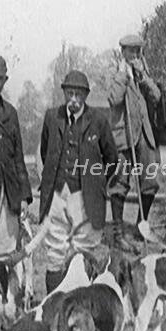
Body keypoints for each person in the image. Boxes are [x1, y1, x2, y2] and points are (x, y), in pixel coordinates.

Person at [39, 70, 118, 294]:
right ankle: (53, 304)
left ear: (86, 96)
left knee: (83, 252)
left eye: (79, 95)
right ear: (64, 93)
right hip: (57, 195)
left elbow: (111, 158)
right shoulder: (52, 117)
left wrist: (97, 183)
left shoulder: (99, 121)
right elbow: (47, 153)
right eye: (70, 93)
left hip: (86, 198)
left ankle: (81, 302)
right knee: (56, 252)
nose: (74, 99)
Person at [107, 34, 161, 253]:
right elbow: (114, 99)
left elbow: (156, 97)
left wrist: (142, 77)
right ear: (123, 53)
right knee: (119, 183)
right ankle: (118, 234)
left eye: (138, 51)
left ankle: (141, 227)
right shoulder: (114, 74)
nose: (135, 55)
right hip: (124, 136)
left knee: (150, 182)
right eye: (131, 51)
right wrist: (124, 75)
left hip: (143, 136)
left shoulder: (142, 76)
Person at [0, 54, 32, 260]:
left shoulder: (11, 113)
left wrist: (24, 196)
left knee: (6, 248)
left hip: (7, 191)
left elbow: (18, 157)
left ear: (5, 81)